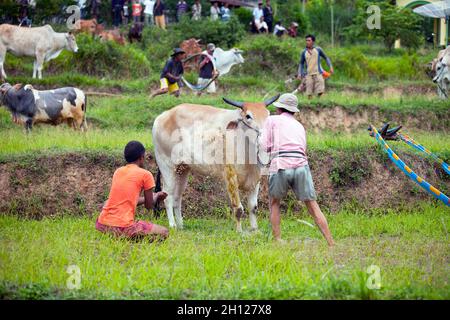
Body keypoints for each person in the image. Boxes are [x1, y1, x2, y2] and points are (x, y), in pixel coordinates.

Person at [260, 93, 334, 246]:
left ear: (279, 108)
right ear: (293, 111)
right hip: (301, 165)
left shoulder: (271, 120)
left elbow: (264, 146)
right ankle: (330, 242)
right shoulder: (300, 126)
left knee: (274, 203)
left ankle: (278, 240)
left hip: (280, 164)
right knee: (313, 205)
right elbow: (303, 149)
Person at [96, 141, 169, 241]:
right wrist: (156, 196)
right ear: (141, 157)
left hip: (102, 224)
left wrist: (153, 195)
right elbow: (149, 205)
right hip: (123, 226)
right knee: (164, 232)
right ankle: (128, 238)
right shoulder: (146, 175)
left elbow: (127, 198)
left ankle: (119, 236)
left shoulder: (118, 171)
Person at [298, 34, 334, 99]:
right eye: (306, 40)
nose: (307, 42)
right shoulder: (304, 52)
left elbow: (326, 58)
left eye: (309, 40)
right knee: (309, 93)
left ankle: (319, 102)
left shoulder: (318, 49)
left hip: (318, 73)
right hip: (308, 74)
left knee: (320, 91)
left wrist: (330, 67)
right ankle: (310, 103)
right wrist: (300, 73)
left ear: (313, 41)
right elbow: (301, 63)